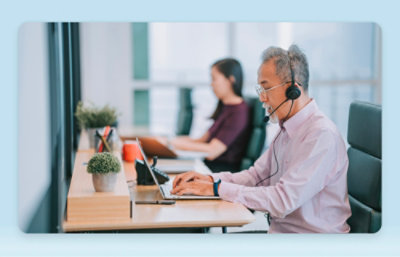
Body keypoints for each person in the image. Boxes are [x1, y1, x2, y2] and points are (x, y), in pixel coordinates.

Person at [171, 45, 352, 233]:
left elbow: (283, 200)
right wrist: (208, 180)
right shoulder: (286, 129)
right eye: (260, 89)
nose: (262, 98)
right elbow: (256, 177)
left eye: (266, 88)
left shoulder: (320, 135)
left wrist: (217, 189)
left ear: (293, 90)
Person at [170, 58, 251, 173]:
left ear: (230, 80)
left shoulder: (238, 111)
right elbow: (201, 140)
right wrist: (170, 142)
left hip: (219, 171)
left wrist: (175, 144)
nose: (211, 85)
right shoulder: (226, 107)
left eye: (214, 79)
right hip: (209, 167)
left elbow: (212, 151)